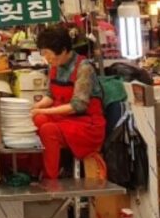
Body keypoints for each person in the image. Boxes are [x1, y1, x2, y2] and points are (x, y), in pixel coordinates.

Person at [31, 27, 107, 180]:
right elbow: (51, 96)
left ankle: (49, 178)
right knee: (36, 121)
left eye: (49, 53)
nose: (47, 58)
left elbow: (78, 106)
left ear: (64, 50)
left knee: (48, 130)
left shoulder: (84, 68)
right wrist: (35, 107)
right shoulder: (55, 65)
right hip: (64, 119)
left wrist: (44, 112)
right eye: (44, 53)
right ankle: (34, 172)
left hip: (86, 124)